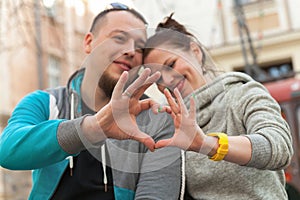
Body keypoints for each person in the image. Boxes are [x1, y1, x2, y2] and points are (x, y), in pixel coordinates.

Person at [0, 4, 183, 200]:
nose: (130, 51)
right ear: (89, 42)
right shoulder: (46, 102)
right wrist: (92, 128)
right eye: (119, 38)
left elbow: (156, 194)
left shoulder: (158, 120)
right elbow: (8, 151)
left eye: (139, 47)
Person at [143, 13, 293, 199]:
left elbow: (278, 147)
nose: (167, 79)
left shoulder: (242, 93)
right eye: (157, 78)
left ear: (195, 51)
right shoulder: (166, 123)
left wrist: (207, 144)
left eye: (171, 64)